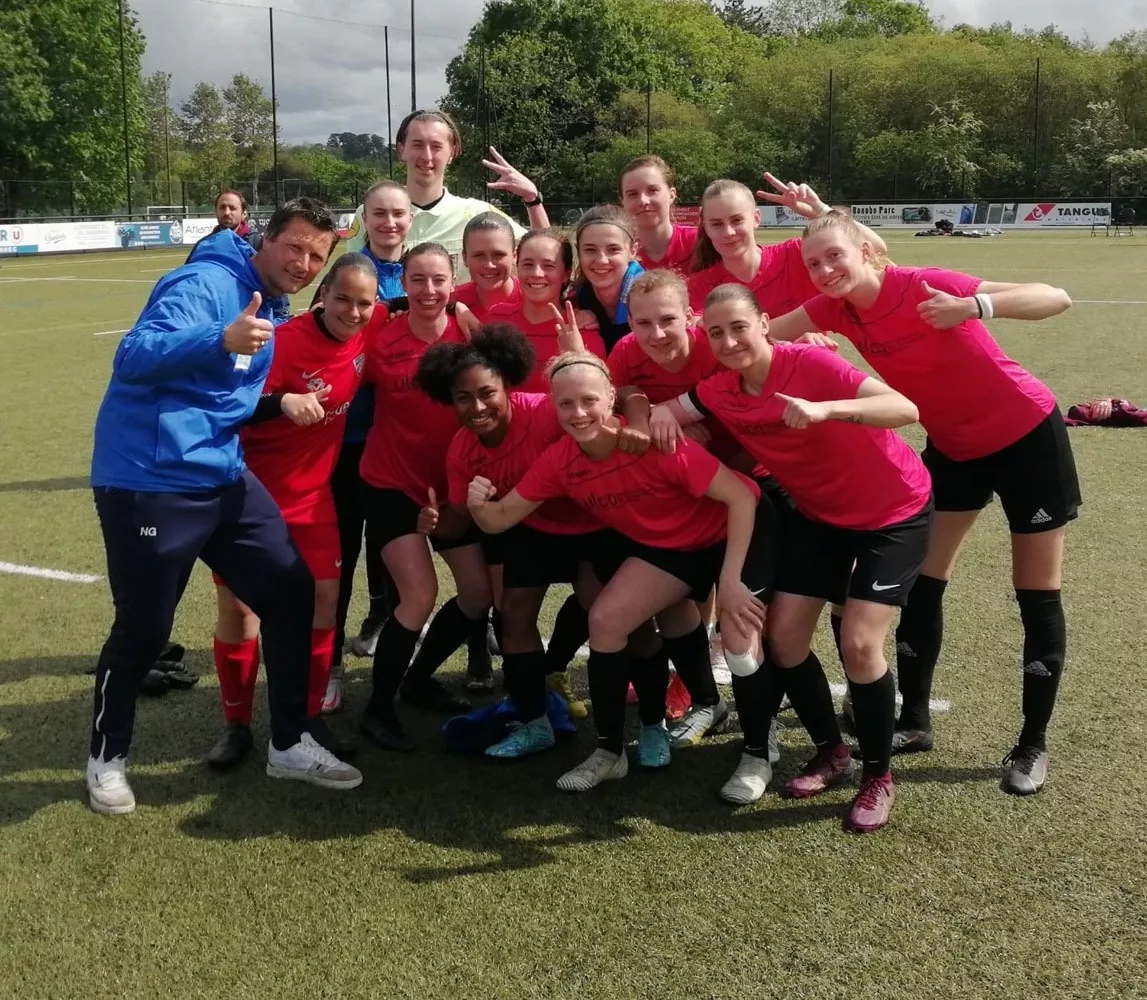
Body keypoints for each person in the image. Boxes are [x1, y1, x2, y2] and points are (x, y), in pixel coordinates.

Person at [765, 210, 1077, 795]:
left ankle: (1032, 744)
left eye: (836, 255)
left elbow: (1054, 297)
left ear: (868, 252)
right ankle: (913, 720)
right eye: (813, 262)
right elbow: (759, 333)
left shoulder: (921, 284)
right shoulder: (835, 308)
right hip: (954, 450)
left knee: (1035, 593)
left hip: (1028, 438)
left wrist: (975, 307)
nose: (826, 269)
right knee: (922, 585)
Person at [87, 198, 362, 815]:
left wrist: (276, 403)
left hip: (222, 471)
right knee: (146, 628)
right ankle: (108, 757)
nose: (304, 263)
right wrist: (219, 337)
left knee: (292, 591)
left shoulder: (271, 298)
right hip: (148, 479)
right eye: (294, 247)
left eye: (317, 256)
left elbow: (220, 400)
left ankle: (290, 742)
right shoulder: (206, 281)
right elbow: (132, 356)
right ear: (264, 239)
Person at [651, 284, 932, 831]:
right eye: (716, 333)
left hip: (892, 512)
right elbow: (670, 406)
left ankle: (878, 775)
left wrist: (828, 410)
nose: (730, 341)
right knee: (784, 638)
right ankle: (833, 751)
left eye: (739, 327)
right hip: (820, 518)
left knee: (858, 641)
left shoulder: (809, 361)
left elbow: (904, 407)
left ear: (763, 323)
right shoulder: (719, 390)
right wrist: (655, 411)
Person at [468, 350, 765, 793]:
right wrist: (478, 504)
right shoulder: (560, 461)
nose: (578, 412)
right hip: (670, 550)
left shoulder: (654, 442)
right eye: (565, 404)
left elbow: (742, 498)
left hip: (738, 533)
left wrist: (730, 579)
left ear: (611, 397)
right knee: (606, 619)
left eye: (589, 400)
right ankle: (609, 752)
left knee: (744, 645)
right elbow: (501, 517)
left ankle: (760, 750)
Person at [205, 253, 381, 767]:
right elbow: (225, 403)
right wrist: (279, 401)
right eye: (342, 298)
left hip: (313, 497)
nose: (352, 311)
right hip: (250, 496)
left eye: (364, 303)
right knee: (240, 614)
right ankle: (236, 724)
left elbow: (416, 302)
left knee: (323, 603)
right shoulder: (278, 341)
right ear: (322, 293)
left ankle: (305, 720)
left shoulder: (369, 331)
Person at [419, 324, 603, 749]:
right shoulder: (462, 450)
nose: (477, 406)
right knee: (513, 612)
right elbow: (461, 520)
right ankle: (533, 721)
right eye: (463, 398)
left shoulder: (542, 411)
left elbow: (600, 416)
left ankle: (634, 726)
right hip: (532, 529)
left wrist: (581, 359)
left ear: (506, 384)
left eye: (487, 392)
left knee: (604, 611)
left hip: (592, 523)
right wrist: (433, 522)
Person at [357, 242, 493, 751]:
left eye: (439, 280)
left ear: (452, 279)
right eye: (418, 280)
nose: (429, 291)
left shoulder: (468, 331)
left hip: (455, 487)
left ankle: (417, 680)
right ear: (403, 283)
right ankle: (377, 709)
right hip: (392, 485)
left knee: (479, 595)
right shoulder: (382, 336)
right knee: (418, 595)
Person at [327, 181, 411, 703]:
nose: (389, 222)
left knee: (399, 556)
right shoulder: (345, 272)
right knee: (338, 558)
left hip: (397, 444)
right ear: (365, 218)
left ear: (410, 219)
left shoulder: (422, 269)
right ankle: (330, 665)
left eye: (398, 213)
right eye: (379, 213)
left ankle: (390, 640)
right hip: (345, 441)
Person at [345, 110, 548, 280]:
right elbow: (348, 274)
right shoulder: (370, 213)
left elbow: (545, 252)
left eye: (436, 146)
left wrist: (532, 199)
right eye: (417, 144)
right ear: (402, 150)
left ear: (452, 152)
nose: (426, 156)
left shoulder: (477, 214)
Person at [685, 174, 887, 318]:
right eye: (717, 224)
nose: (728, 232)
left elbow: (875, 248)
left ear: (756, 219)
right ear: (705, 227)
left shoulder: (795, 255)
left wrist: (820, 210)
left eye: (737, 220)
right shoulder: (698, 288)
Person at [481, 228, 607, 391]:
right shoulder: (496, 320)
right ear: (517, 267)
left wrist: (578, 356)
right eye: (527, 264)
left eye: (548, 266)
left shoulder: (581, 332)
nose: (536, 273)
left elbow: (600, 398)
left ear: (566, 274)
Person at [571, 205, 645, 353]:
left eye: (613, 249)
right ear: (578, 251)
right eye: (590, 250)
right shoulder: (577, 299)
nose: (602, 260)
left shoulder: (652, 296)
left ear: (633, 250)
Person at [619, 155, 698, 276]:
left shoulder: (701, 242)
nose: (643, 201)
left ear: (672, 195)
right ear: (622, 202)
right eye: (633, 194)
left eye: (652, 190)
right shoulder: (616, 253)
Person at [452, 212, 522, 320]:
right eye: (479, 255)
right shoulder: (450, 303)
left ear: (514, 256)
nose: (489, 265)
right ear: (465, 258)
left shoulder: (535, 299)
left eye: (498, 255)